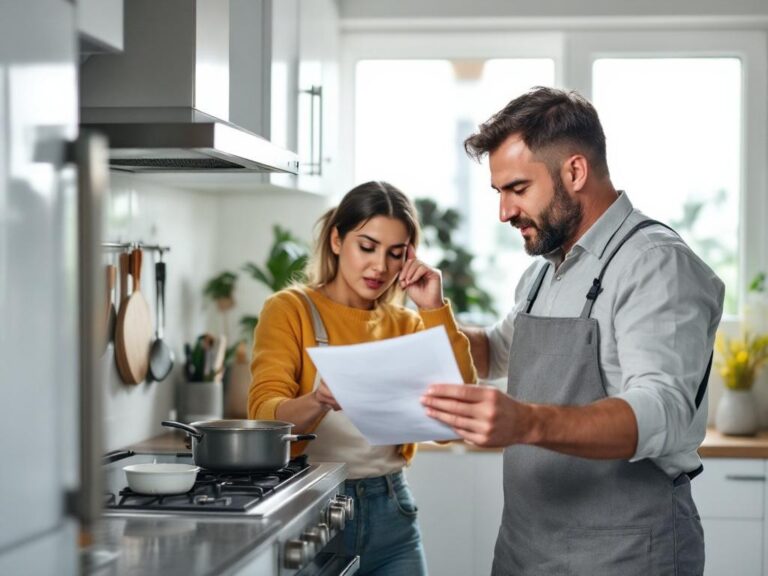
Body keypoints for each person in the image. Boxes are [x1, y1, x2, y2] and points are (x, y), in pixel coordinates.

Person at [421, 86, 724, 575]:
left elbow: (663, 409)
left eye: (518, 189)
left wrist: (527, 423)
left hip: (625, 553)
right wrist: (433, 311)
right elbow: (494, 354)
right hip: (525, 547)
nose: (504, 212)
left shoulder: (656, 264)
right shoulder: (544, 272)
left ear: (575, 172)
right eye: (499, 193)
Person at [249, 180, 477, 576]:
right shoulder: (290, 310)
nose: (380, 267)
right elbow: (264, 419)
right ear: (337, 240)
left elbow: (460, 413)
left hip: (391, 511)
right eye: (367, 247)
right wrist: (318, 400)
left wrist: (434, 309)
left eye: (395, 253)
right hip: (311, 510)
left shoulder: (407, 324)